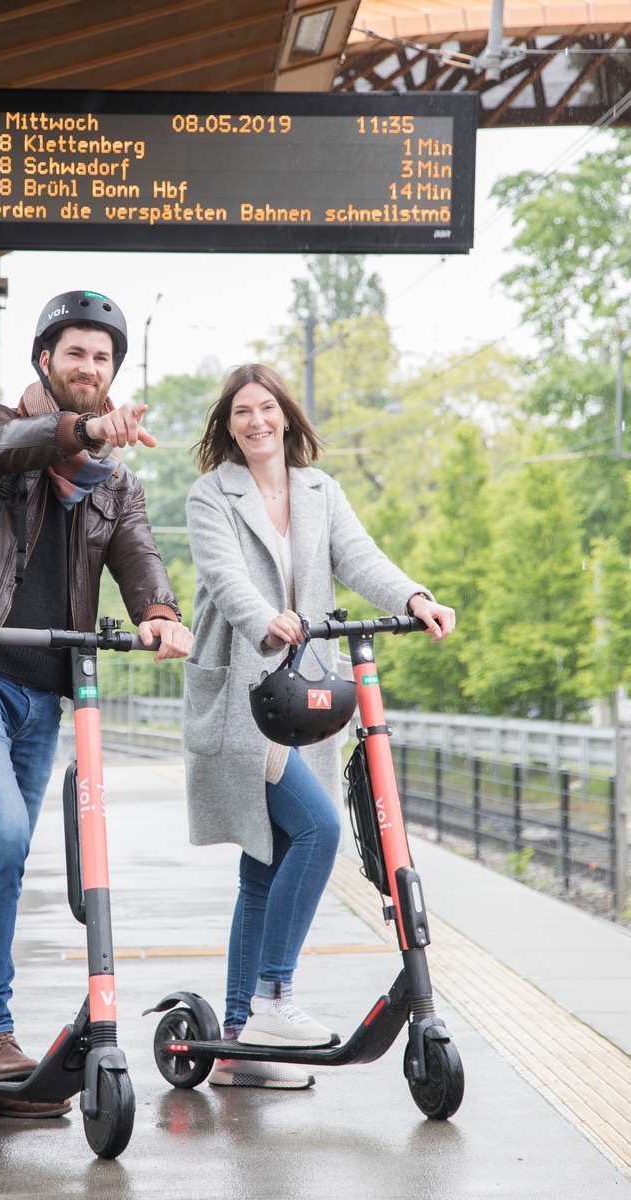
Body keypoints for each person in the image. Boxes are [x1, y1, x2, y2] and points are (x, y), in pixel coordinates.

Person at [0, 289, 192, 1118]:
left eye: (103, 358)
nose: (89, 367)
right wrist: (82, 431)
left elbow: (140, 561)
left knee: (7, 850)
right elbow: (2, 446)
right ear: (46, 361)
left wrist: (162, 614)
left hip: (42, 696)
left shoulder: (116, 485)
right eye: (75, 353)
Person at [183, 363, 454, 1090]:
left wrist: (416, 595)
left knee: (263, 866)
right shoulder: (212, 493)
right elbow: (222, 576)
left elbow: (358, 558)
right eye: (241, 411)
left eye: (266, 407)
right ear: (227, 424)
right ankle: (274, 996)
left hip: (303, 696)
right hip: (245, 691)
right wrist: (264, 618)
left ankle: (240, 1041)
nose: (255, 421)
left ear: (287, 416)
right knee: (318, 831)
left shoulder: (317, 490)